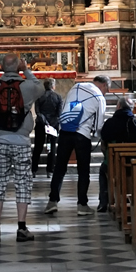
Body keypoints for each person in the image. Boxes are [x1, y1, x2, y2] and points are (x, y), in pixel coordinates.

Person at [0, 60, 43, 243]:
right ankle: (22, 227)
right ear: (19, 67)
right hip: (21, 140)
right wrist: (27, 70)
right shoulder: (27, 86)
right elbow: (41, 88)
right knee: (23, 183)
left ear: (1, 67)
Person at [44, 74, 108, 215]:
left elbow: (65, 108)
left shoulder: (75, 87)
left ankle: (52, 202)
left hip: (65, 132)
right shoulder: (99, 97)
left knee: (59, 168)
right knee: (83, 171)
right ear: (104, 85)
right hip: (82, 135)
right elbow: (98, 126)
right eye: (106, 89)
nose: (105, 92)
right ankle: (82, 205)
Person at [96, 92, 136, 211]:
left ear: (118, 107)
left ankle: (104, 201)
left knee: (103, 171)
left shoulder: (110, 123)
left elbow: (103, 142)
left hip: (113, 162)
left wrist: (107, 156)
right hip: (134, 162)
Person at [31, 76, 61, 175]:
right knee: (52, 147)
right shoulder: (58, 97)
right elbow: (59, 113)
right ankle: (50, 171)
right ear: (53, 86)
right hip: (53, 125)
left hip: (41, 124)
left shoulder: (39, 97)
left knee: (38, 147)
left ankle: (34, 169)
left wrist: (44, 121)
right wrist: (52, 123)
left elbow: (37, 111)